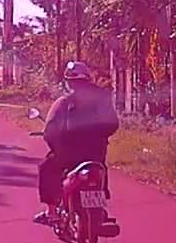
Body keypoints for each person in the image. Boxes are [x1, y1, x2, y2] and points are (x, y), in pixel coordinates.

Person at [33, 61, 120, 225]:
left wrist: (57, 144)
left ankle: (51, 212)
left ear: (69, 82)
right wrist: (98, 136)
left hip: (69, 156)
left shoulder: (64, 102)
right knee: (99, 167)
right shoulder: (102, 99)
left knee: (46, 167)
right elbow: (113, 124)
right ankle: (100, 208)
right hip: (96, 153)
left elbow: (50, 130)